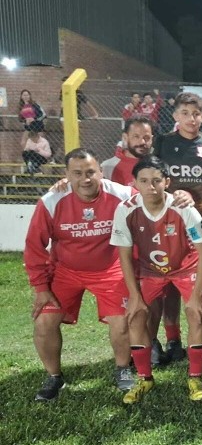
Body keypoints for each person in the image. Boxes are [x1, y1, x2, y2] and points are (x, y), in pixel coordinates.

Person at [24, 148, 134, 401]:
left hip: (110, 268)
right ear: (67, 175)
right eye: (77, 174)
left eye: (90, 172)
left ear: (100, 172)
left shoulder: (122, 194)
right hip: (66, 271)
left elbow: (154, 197)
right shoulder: (51, 201)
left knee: (122, 321)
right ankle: (54, 377)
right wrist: (41, 288)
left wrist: (180, 195)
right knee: (44, 322)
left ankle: (123, 370)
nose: (85, 179)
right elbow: (33, 246)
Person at [111, 155, 202, 403]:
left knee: (197, 313)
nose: (151, 186)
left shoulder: (182, 207)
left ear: (167, 182)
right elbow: (124, 255)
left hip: (185, 267)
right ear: (135, 183)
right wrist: (134, 296)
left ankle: (195, 376)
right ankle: (145, 379)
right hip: (150, 270)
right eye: (144, 181)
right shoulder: (126, 210)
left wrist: (197, 295)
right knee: (135, 316)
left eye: (157, 180)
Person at [152, 91, 202, 361]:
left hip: (201, 222)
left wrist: (196, 197)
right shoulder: (164, 142)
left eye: (196, 114)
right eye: (185, 113)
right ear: (175, 116)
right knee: (169, 283)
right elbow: (155, 179)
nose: (191, 119)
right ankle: (173, 339)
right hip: (168, 223)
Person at [101, 115, 154, 186]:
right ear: (125, 137)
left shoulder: (158, 164)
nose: (142, 142)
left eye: (147, 137)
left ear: (152, 138)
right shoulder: (108, 167)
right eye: (136, 136)